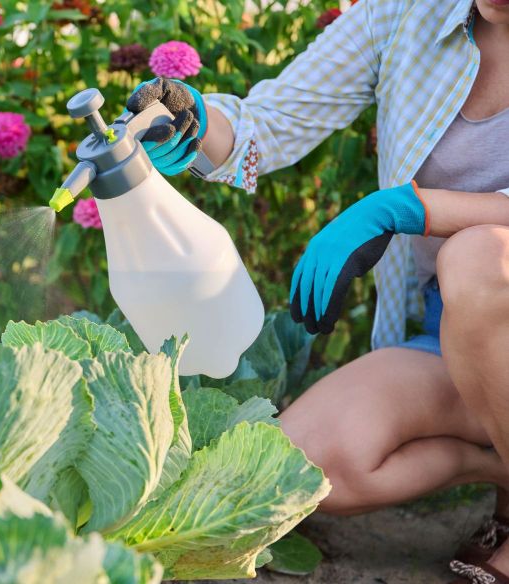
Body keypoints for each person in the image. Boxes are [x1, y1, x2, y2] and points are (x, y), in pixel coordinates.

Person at [127, 0, 509, 581]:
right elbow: (275, 119)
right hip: (460, 333)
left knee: (479, 259)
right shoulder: (408, 14)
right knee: (308, 461)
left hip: (488, 287)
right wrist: (197, 123)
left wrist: (411, 208)